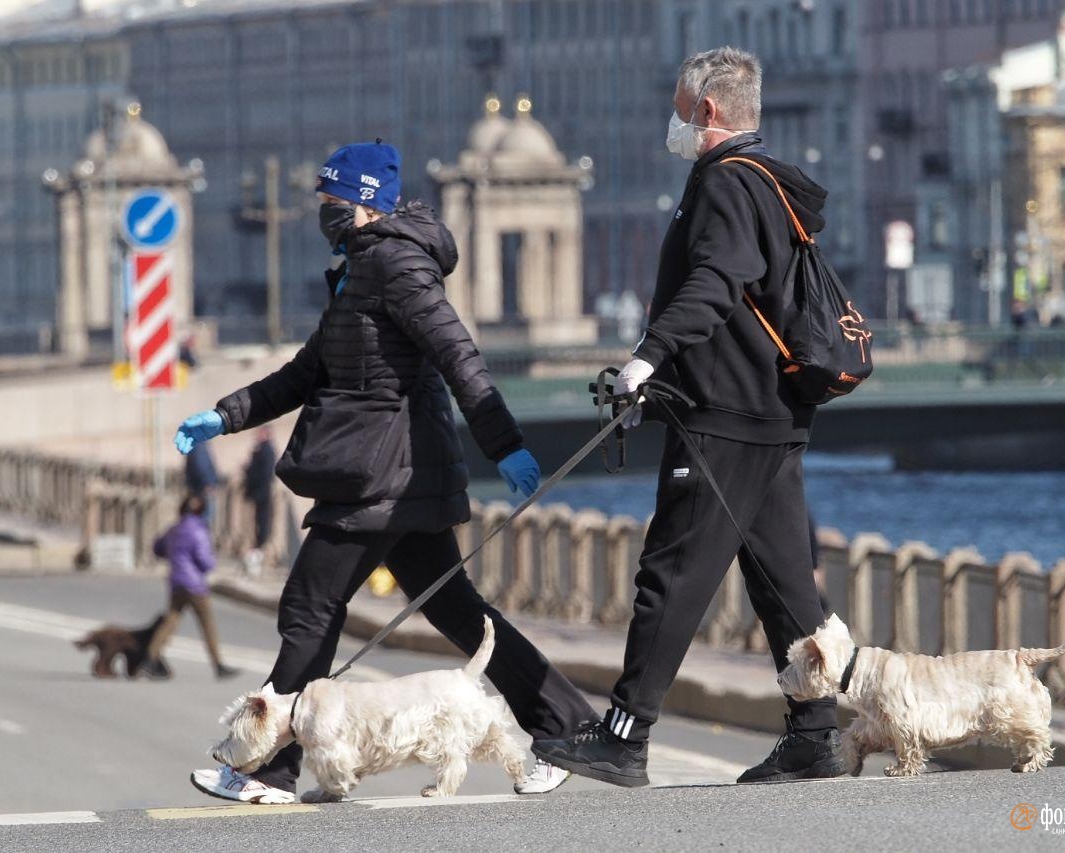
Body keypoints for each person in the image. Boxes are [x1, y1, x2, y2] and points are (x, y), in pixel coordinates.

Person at [178, 141, 597, 804]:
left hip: (382, 474)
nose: (322, 210)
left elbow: (459, 354)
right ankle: (569, 726)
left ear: (366, 203)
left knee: (310, 606)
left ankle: (271, 769)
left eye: (331, 199)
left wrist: (504, 443)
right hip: (392, 471)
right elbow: (307, 372)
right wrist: (225, 415)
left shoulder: (396, 264)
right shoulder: (358, 271)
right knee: (457, 611)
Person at [534, 47, 845, 786]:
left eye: (679, 109)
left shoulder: (725, 182)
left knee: (670, 573)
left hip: (725, 414)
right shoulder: (768, 181)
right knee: (782, 583)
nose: (673, 123)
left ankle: (624, 735)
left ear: (707, 112)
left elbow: (716, 282)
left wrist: (647, 358)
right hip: (770, 411)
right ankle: (815, 732)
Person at [143, 494, 240, 680]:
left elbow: (157, 547)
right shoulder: (199, 531)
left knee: (170, 621)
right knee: (207, 625)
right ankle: (218, 664)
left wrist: (174, 557)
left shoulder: (173, 529)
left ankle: (149, 659)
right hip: (195, 585)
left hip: (176, 582)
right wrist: (210, 563)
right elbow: (205, 561)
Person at [242, 426, 277, 577]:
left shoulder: (267, 450)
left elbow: (265, 474)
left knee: (262, 525)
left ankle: (260, 555)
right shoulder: (261, 449)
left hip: (262, 494)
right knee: (257, 525)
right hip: (257, 493)